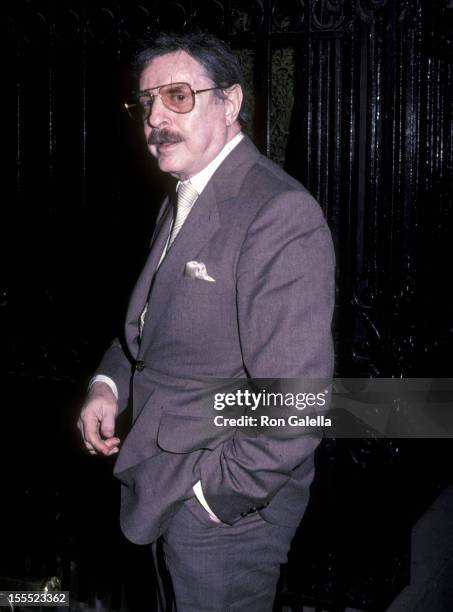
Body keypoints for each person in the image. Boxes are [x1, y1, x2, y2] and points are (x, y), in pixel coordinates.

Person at [77, 31, 335, 612]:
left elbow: (297, 403)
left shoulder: (277, 211)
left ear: (231, 101)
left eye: (178, 96)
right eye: (146, 102)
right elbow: (149, 325)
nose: (156, 118)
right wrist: (107, 384)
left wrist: (212, 500)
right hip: (160, 478)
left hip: (223, 516)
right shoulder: (186, 193)